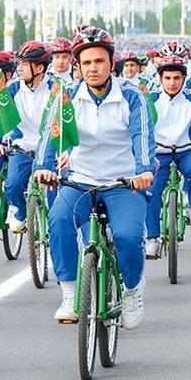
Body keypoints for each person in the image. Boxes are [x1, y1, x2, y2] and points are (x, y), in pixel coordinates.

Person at [35, 26, 154, 329]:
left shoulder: (131, 96)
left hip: (123, 182)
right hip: (81, 179)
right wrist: (44, 167)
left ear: (111, 63)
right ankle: (70, 292)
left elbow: (143, 137)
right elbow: (51, 136)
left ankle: (131, 290)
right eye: (86, 63)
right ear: (77, 66)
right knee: (59, 220)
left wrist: (143, 171)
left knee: (128, 236)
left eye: (99, 61)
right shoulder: (67, 97)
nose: (93, 68)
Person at [144, 54, 191, 256]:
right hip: (159, 152)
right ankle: (152, 239)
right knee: (152, 191)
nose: (172, 83)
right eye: (167, 78)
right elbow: (141, 125)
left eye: (176, 78)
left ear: (184, 79)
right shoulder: (151, 99)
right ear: (160, 79)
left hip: (185, 149)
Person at [0, 41, 54, 233]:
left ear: (40, 67)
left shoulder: (57, 89)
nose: (19, 68)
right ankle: (20, 212)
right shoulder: (12, 89)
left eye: (25, 64)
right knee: (14, 183)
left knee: (55, 192)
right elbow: (1, 119)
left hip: (50, 148)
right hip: (22, 146)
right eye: (20, 63)